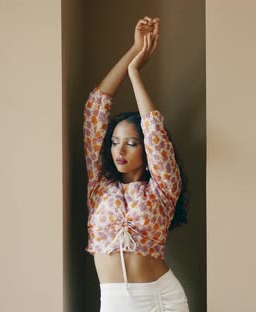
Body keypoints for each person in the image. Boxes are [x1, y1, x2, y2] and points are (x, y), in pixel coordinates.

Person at [83, 16, 189, 312]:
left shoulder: (163, 189)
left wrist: (135, 73)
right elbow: (95, 105)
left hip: (161, 299)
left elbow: (153, 130)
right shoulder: (99, 185)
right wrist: (134, 49)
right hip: (115, 302)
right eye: (115, 142)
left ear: (146, 150)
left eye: (131, 143)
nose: (120, 150)